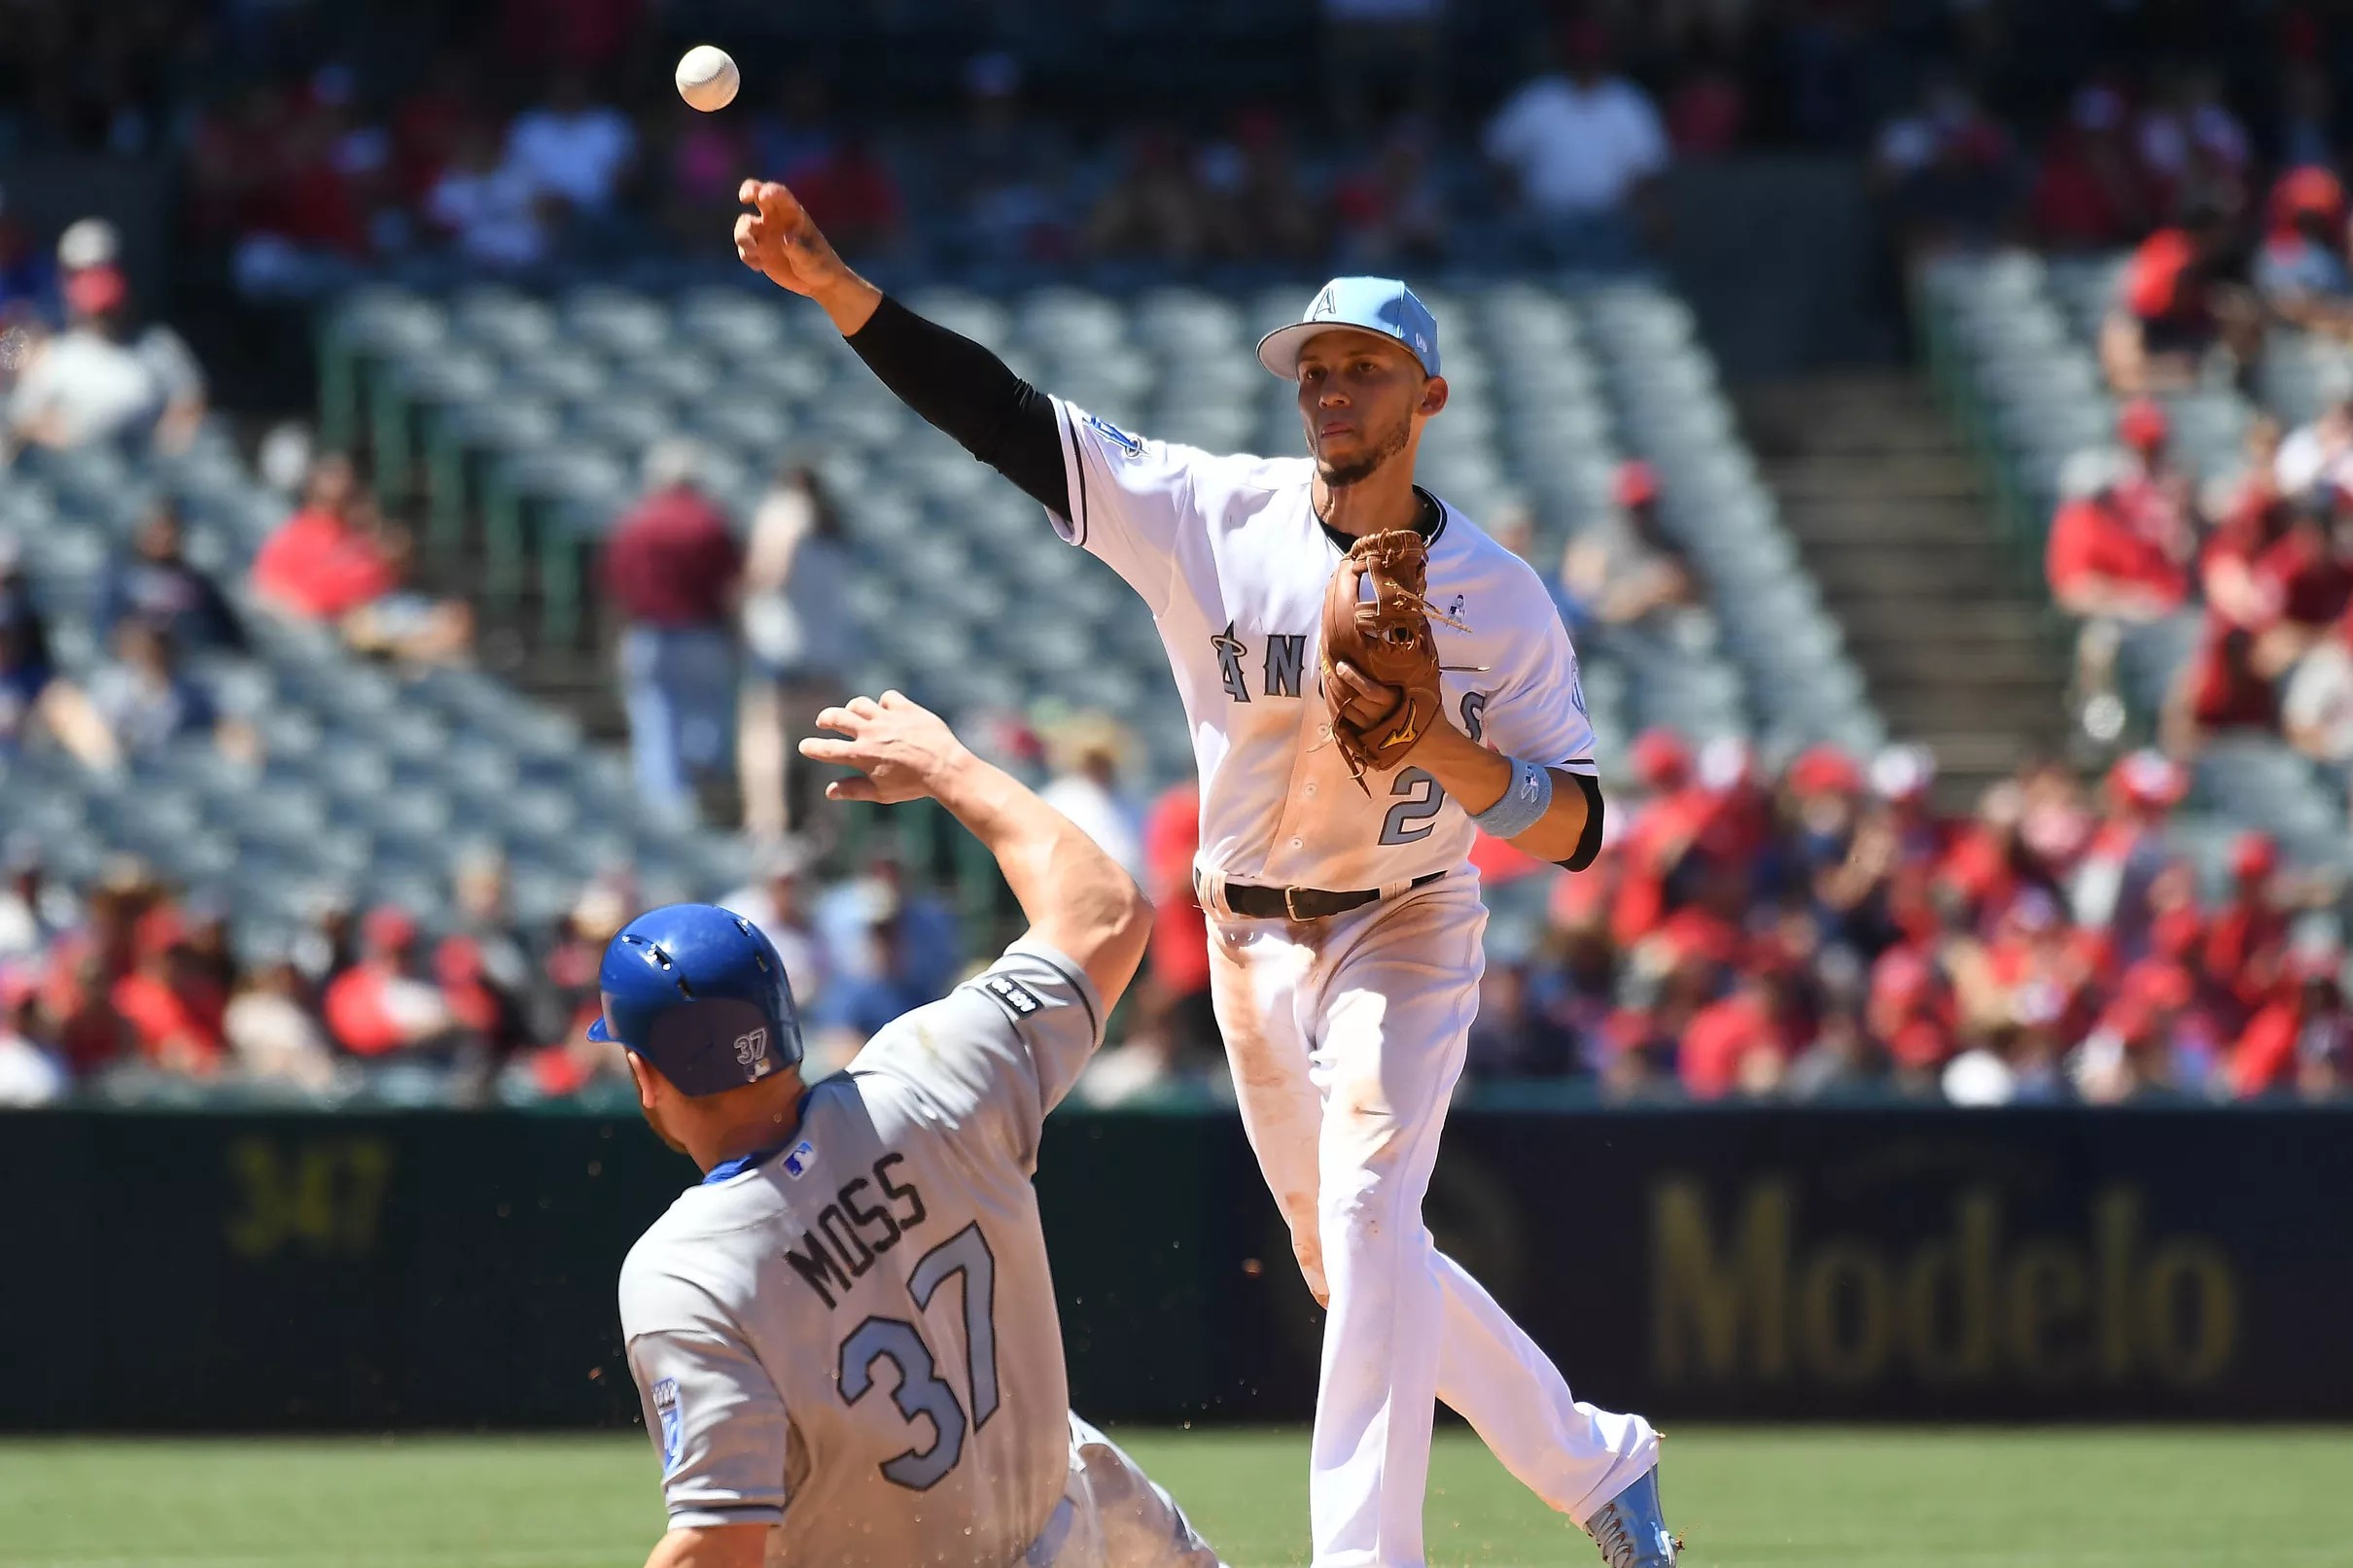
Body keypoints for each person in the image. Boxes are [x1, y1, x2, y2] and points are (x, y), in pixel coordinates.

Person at [734, 182, 1675, 1566]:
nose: (1334, 388)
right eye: (1317, 367)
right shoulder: (1206, 513)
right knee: (1353, 1258)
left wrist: (1447, 753)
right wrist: (841, 294)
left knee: (1367, 1215)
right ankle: (1596, 1456)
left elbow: (1579, 826)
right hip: (1245, 942)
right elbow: (1005, 417)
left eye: (1367, 369)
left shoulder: (1500, 596)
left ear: (1432, 396)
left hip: (1406, 926)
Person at [603, 690, 1223, 1568]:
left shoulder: (685, 1272)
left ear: (645, 1076)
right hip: (1087, 1533)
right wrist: (948, 768)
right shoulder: (936, 1068)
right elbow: (1105, 911)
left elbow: (717, 1546)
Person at [600, 440, 743, 822]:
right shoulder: (710, 522)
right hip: (703, 634)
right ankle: (706, 792)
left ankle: (669, 807)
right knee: (705, 713)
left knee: (657, 717)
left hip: (652, 633)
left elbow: (617, 586)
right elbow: (732, 585)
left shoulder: (637, 523)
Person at [1482, 18, 1668, 270]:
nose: (1586, 65)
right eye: (1580, 58)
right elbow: (1498, 155)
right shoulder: (1537, 98)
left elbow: (1649, 172)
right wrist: (1515, 203)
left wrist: (1636, 211)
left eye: (1591, 58)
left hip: (1610, 223)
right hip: (1542, 222)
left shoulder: (1629, 103)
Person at [736, 465, 855, 840]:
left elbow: (772, 571)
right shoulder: (833, 524)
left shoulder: (786, 511)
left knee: (764, 729)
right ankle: (826, 824)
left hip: (785, 644)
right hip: (826, 649)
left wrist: (741, 595)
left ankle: (768, 820)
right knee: (825, 741)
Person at [6, 262, 206, 453]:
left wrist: (173, 435)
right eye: (100, 312)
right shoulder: (60, 356)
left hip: (147, 458)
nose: (108, 318)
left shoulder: (156, 345)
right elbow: (24, 418)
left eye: (112, 309)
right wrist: (62, 438)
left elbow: (189, 399)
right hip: (78, 465)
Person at [96, 500, 245, 653]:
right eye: (159, 530)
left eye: (172, 532)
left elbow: (225, 632)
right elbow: (107, 626)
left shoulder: (195, 584)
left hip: (193, 660)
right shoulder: (121, 576)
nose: (166, 539)